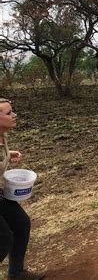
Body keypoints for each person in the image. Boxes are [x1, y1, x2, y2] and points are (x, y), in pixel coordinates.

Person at [0, 98, 44, 279]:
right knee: (3, 240)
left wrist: (8, 155)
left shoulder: (3, 137)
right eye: (9, 113)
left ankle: (16, 274)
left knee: (21, 223)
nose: (14, 115)